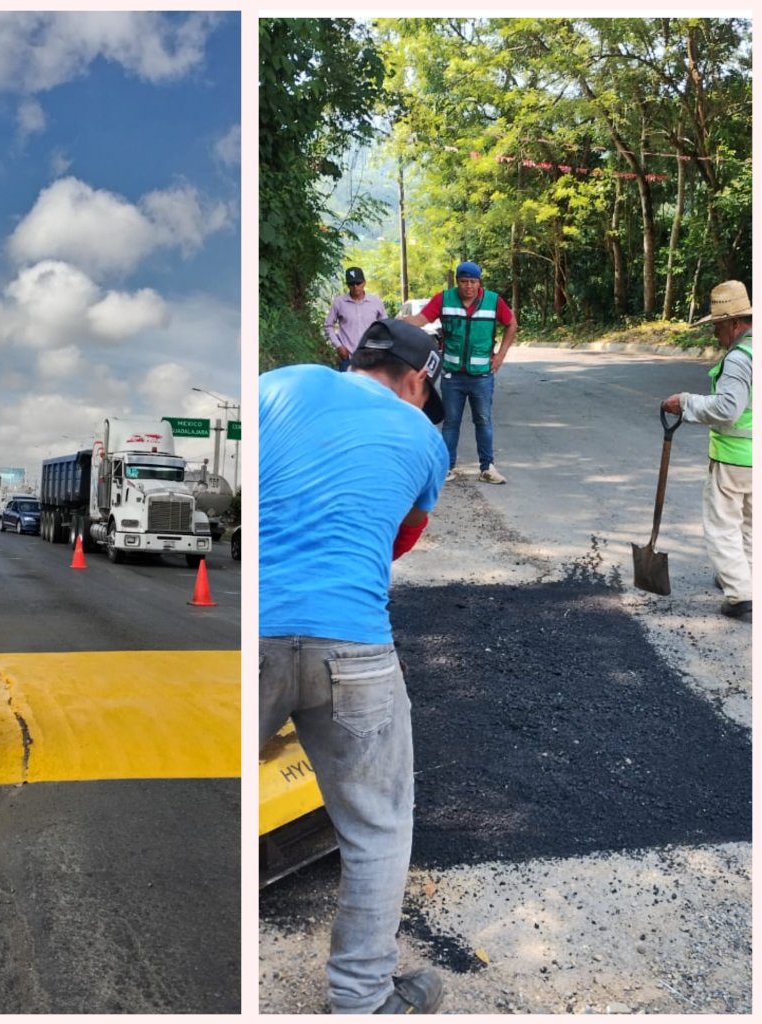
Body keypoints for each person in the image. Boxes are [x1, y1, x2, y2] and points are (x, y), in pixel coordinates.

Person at [260, 318, 449, 1015]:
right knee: (376, 827)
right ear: (416, 379)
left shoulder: (277, 385)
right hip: (354, 646)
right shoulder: (425, 439)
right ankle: (363, 1001)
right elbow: (398, 538)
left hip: (254, 633)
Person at [662, 280, 752, 620]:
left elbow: (727, 408)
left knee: (722, 525)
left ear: (734, 323)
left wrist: (685, 403)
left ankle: (740, 594)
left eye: (718, 325)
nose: (715, 333)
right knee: (750, 523)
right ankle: (745, 577)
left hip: (734, 457)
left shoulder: (739, 359)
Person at [403, 261, 516, 483]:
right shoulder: (444, 299)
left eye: (473, 281)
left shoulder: (493, 301)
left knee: (483, 420)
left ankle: (487, 468)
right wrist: (398, 323)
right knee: (451, 422)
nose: (469, 286)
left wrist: (501, 355)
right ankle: (447, 467)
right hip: (452, 375)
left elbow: (511, 323)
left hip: (482, 375)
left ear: (479, 282)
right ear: (457, 282)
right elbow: (421, 320)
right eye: (464, 281)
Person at [324, 266, 388, 371]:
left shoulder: (376, 302)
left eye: (358, 283)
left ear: (364, 283)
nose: (355, 287)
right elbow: (328, 325)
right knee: (346, 382)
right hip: (348, 357)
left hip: (371, 357)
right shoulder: (339, 302)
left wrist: (379, 348)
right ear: (347, 285)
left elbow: (385, 326)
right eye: (351, 284)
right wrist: (338, 346)